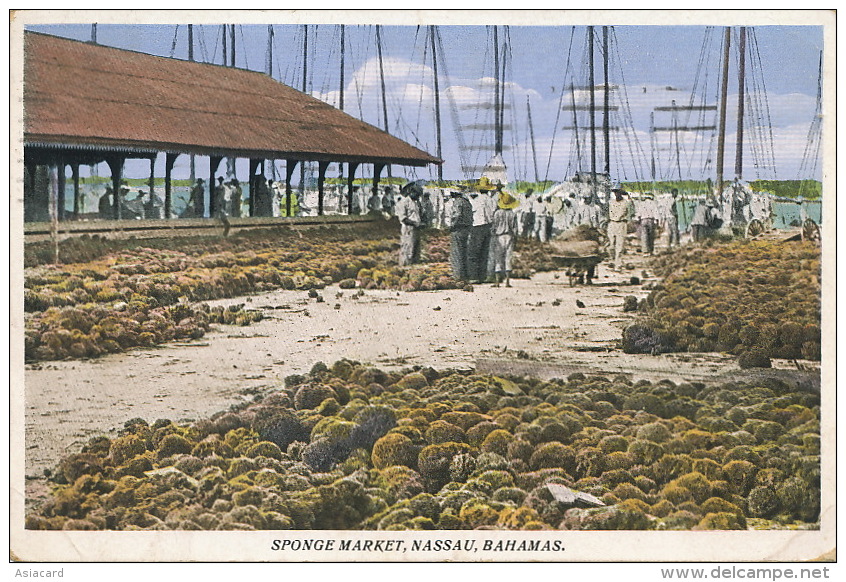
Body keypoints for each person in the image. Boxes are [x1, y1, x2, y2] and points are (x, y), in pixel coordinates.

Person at [468, 177, 497, 281]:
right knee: (484, 253)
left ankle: (473, 276)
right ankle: (482, 276)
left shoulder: (476, 201)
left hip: (477, 227)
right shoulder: (492, 201)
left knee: (473, 253)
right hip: (488, 227)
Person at [490, 190, 520, 287]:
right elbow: (515, 228)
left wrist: (493, 233)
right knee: (508, 258)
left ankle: (497, 281)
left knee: (498, 258)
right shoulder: (512, 214)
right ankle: (507, 282)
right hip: (509, 236)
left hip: (499, 236)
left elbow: (494, 226)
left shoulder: (497, 213)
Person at [447, 188, 474, 281]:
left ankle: (457, 276)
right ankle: (464, 276)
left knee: (456, 253)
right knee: (464, 252)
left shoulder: (458, 202)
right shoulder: (467, 202)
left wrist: (451, 225)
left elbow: (457, 215)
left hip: (458, 229)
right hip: (466, 229)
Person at [396, 182, 423, 266]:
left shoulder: (415, 202)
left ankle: (415, 264)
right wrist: (414, 223)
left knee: (416, 247)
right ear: (411, 192)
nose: (417, 197)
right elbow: (403, 218)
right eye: (416, 194)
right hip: (408, 228)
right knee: (408, 247)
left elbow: (418, 214)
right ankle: (405, 265)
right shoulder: (403, 202)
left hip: (416, 227)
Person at [607, 188, 632, 271]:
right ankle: (612, 260)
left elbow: (630, 213)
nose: (616, 194)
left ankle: (618, 264)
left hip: (621, 223)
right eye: (615, 192)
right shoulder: (611, 202)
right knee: (610, 245)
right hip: (612, 223)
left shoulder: (626, 203)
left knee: (620, 246)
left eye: (618, 192)